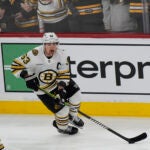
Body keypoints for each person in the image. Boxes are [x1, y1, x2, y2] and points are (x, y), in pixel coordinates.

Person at [11, 32, 84, 135]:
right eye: (49, 44)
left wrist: (61, 89)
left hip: (58, 82)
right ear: (44, 44)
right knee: (62, 112)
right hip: (43, 90)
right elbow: (15, 66)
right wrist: (27, 77)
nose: (52, 46)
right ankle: (62, 127)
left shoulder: (62, 54)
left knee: (76, 96)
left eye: (54, 43)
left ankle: (72, 117)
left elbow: (64, 73)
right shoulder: (34, 54)